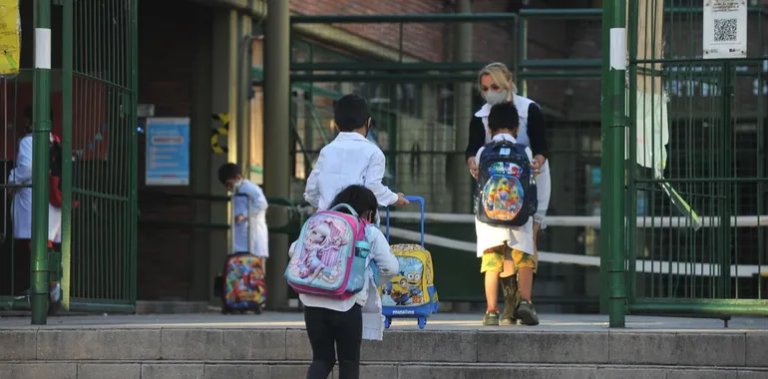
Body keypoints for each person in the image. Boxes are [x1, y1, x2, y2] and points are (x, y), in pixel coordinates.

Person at [465, 62, 550, 325]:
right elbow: (471, 149)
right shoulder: (480, 116)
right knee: (520, 246)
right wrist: (472, 163)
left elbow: (542, 146)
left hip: (531, 183)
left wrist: (537, 161)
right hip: (505, 189)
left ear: (508, 84)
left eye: (495, 87)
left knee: (518, 243)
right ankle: (517, 302)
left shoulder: (529, 110)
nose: (490, 93)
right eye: (485, 89)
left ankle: (506, 306)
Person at [290, 185, 399, 379]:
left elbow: (293, 251)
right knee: (348, 361)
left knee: (322, 359)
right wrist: (372, 280)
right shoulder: (368, 231)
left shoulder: (320, 224)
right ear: (369, 212)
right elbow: (391, 267)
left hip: (312, 301)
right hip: (346, 302)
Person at [475, 102, 539, 326]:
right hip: (519, 216)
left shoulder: (483, 152)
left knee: (492, 263)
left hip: (489, 219)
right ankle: (526, 302)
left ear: (489, 128)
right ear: (517, 128)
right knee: (524, 259)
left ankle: (492, 311)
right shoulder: (525, 151)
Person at [304, 94, 408, 222]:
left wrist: (319, 205)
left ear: (336, 125)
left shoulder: (326, 151)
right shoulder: (374, 153)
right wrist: (394, 198)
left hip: (325, 224)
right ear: (368, 123)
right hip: (357, 226)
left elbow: (312, 188)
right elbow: (373, 188)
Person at [5, 106, 63, 315]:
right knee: (46, 246)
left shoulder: (29, 141)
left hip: (35, 201)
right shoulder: (55, 141)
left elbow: (27, 169)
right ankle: (48, 289)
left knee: (38, 247)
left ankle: (49, 291)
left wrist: (12, 179)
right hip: (53, 200)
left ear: (32, 121)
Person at [217, 163, 269, 259]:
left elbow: (262, 204)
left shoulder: (249, 188)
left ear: (237, 178)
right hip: (242, 239)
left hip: (253, 238)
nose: (229, 187)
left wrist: (244, 215)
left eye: (229, 184)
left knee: (254, 264)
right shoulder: (237, 191)